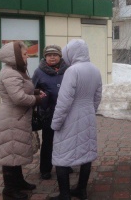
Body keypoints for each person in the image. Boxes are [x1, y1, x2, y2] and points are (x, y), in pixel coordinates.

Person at [50, 39, 102, 200]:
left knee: (62, 156)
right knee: (86, 153)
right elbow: (97, 96)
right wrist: (90, 111)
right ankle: (81, 190)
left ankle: (64, 195)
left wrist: (56, 123)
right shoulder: (95, 69)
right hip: (87, 115)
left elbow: (64, 101)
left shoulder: (72, 71)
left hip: (70, 117)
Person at [0, 41, 46, 200]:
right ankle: (9, 190)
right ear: (15, 56)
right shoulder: (10, 73)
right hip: (11, 119)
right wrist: (37, 99)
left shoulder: (16, 71)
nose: (28, 56)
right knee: (10, 153)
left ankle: (18, 182)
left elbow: (22, 89)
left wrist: (36, 91)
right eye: (24, 54)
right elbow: (18, 97)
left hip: (17, 118)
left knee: (15, 152)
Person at [32, 45, 68, 180]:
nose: (52, 57)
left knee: (65, 140)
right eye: (49, 55)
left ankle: (65, 164)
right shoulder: (39, 72)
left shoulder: (68, 70)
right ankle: (45, 169)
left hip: (65, 112)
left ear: (60, 56)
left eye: (55, 55)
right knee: (48, 141)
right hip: (48, 113)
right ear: (45, 57)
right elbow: (31, 90)